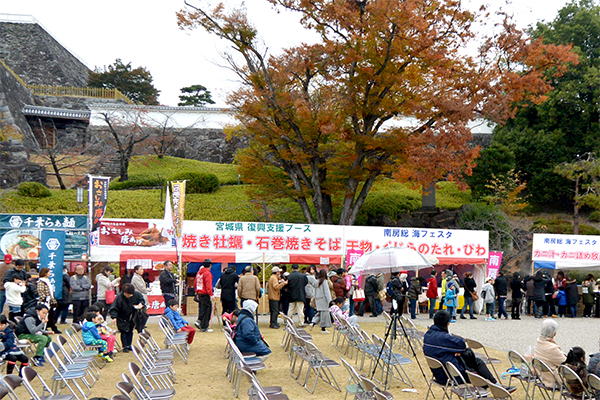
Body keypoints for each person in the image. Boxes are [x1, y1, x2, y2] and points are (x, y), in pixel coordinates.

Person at [424, 310, 498, 385]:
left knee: (472, 361)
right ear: (447, 324)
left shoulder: (428, 335)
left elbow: (441, 350)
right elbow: (461, 344)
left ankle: (490, 386)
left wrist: (452, 351)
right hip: (454, 377)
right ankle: (496, 386)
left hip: (439, 375)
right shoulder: (443, 337)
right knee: (477, 363)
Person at [109, 284, 145, 353]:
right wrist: (114, 317)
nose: (128, 295)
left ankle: (129, 345)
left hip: (132, 315)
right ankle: (124, 346)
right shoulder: (119, 297)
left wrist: (140, 304)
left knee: (130, 330)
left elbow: (142, 300)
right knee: (124, 331)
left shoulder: (137, 294)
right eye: (127, 294)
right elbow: (114, 307)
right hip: (121, 316)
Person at [534, 319, 566, 388]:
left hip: (541, 375)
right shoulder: (552, 348)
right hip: (552, 380)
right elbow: (566, 364)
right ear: (555, 334)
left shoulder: (539, 341)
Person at [37, 267, 60, 334]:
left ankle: (52, 327)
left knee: (51, 315)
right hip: (45, 301)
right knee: (45, 315)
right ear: (45, 273)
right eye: (49, 272)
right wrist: (45, 298)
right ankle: (45, 327)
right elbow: (40, 291)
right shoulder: (41, 281)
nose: (50, 273)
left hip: (50, 301)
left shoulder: (47, 280)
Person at [194, 259, 214, 332]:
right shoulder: (207, 273)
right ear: (210, 265)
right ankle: (204, 326)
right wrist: (211, 294)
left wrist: (197, 292)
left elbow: (195, 283)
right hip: (205, 293)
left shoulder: (199, 273)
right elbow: (209, 285)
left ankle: (200, 322)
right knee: (207, 310)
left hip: (200, 292)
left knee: (202, 309)